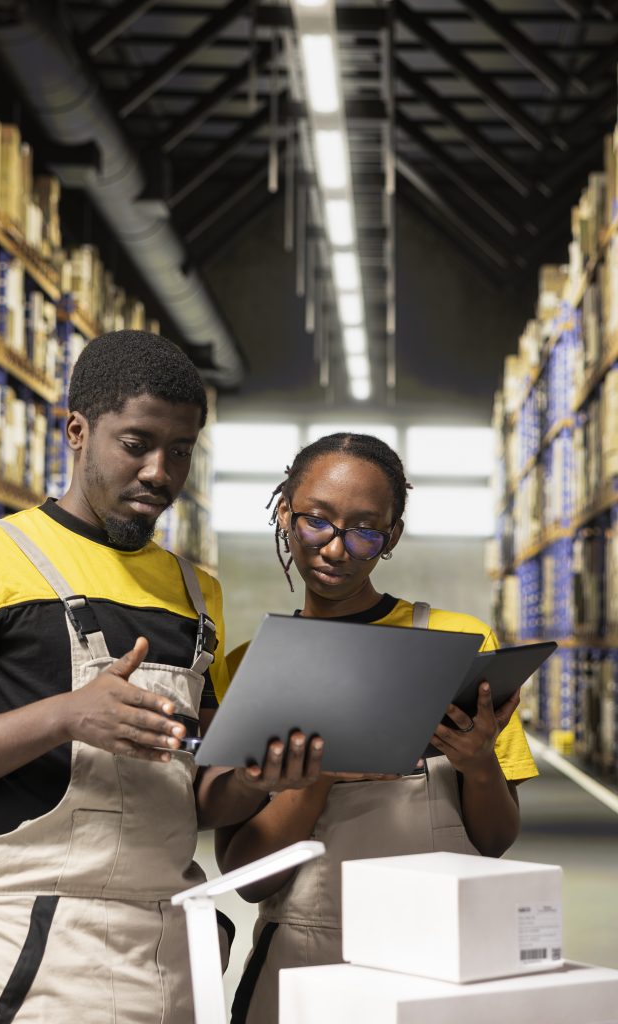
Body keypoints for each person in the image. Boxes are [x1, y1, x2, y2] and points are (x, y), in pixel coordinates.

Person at [0, 329, 323, 1024]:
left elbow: (193, 795)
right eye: (137, 443)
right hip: (36, 946)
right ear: (77, 431)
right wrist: (64, 715)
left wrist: (256, 782)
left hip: (173, 941)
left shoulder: (195, 591)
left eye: (180, 452)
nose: (160, 473)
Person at [217, 432, 538, 1024]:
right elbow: (246, 879)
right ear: (285, 512)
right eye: (317, 521)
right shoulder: (247, 669)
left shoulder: (456, 647)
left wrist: (477, 763)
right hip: (304, 961)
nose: (337, 549)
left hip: (441, 957)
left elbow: (494, 841)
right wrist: (319, 776)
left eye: (366, 530)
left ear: (390, 536)